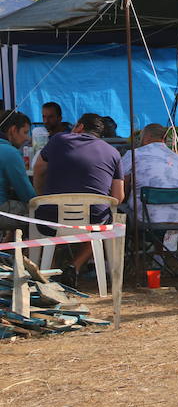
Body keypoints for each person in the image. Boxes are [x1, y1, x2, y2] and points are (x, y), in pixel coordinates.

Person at [32, 113, 125, 286]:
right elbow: (118, 197)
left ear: (80, 127)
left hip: (51, 218)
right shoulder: (113, 153)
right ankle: (74, 266)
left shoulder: (59, 140)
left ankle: (48, 271)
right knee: (104, 224)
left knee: (44, 219)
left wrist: (41, 195)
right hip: (93, 220)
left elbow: (38, 168)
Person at [121, 123, 178, 226]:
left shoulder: (133, 154)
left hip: (148, 219)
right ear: (164, 138)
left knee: (119, 208)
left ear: (147, 137)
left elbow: (123, 185)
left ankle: (139, 242)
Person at [0, 111, 37, 234]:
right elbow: (27, 195)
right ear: (13, 130)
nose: (28, 138)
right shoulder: (10, 152)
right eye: (25, 132)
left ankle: (10, 243)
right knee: (40, 211)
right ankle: (34, 251)